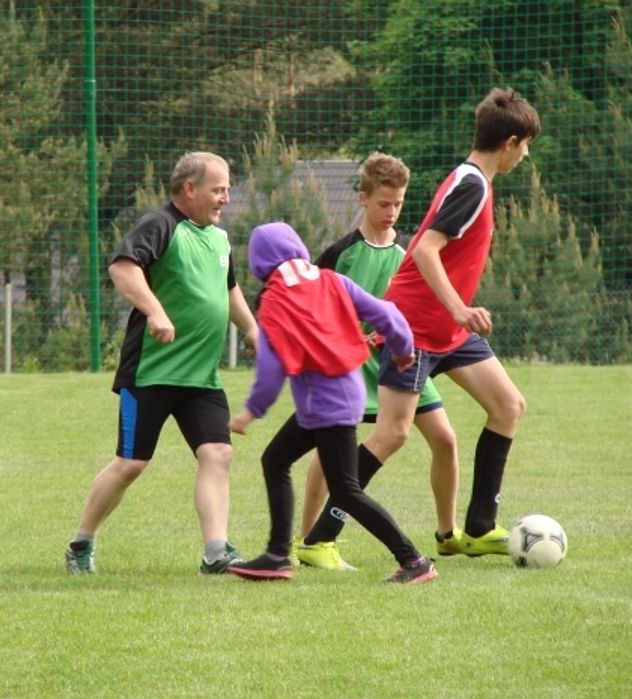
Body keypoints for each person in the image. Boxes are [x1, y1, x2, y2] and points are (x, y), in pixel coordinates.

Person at [319, 88, 541, 558]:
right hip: (415, 327)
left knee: (508, 405)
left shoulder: (473, 179)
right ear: (510, 142)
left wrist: (456, 316)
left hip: (448, 330)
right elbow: (425, 249)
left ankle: (479, 528)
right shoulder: (472, 185)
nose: (526, 154)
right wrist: (461, 308)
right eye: (526, 145)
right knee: (392, 434)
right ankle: (320, 537)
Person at [64, 151, 259, 575]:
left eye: (226, 189)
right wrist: (155, 311)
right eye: (218, 189)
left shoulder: (219, 239)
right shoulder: (160, 224)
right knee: (131, 463)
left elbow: (227, 291)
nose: (225, 198)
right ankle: (81, 543)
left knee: (218, 453)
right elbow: (123, 268)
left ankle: (215, 552)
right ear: (189, 189)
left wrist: (251, 330)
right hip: (152, 371)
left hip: (202, 376)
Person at [226, 221, 437, 585]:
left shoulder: (275, 298)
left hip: (327, 404)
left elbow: (271, 364)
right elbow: (387, 315)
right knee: (275, 460)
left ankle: (414, 560)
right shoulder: (329, 279)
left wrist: (251, 411)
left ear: (258, 263)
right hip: (338, 394)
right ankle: (277, 556)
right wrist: (403, 351)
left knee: (345, 491)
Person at [295, 154, 462, 570]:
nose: (391, 212)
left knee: (445, 439)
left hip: (404, 362)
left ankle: (448, 533)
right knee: (330, 453)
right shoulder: (341, 254)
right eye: (384, 204)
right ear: (363, 199)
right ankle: (309, 539)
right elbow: (311, 308)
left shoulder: (410, 255)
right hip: (350, 367)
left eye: (399, 204)